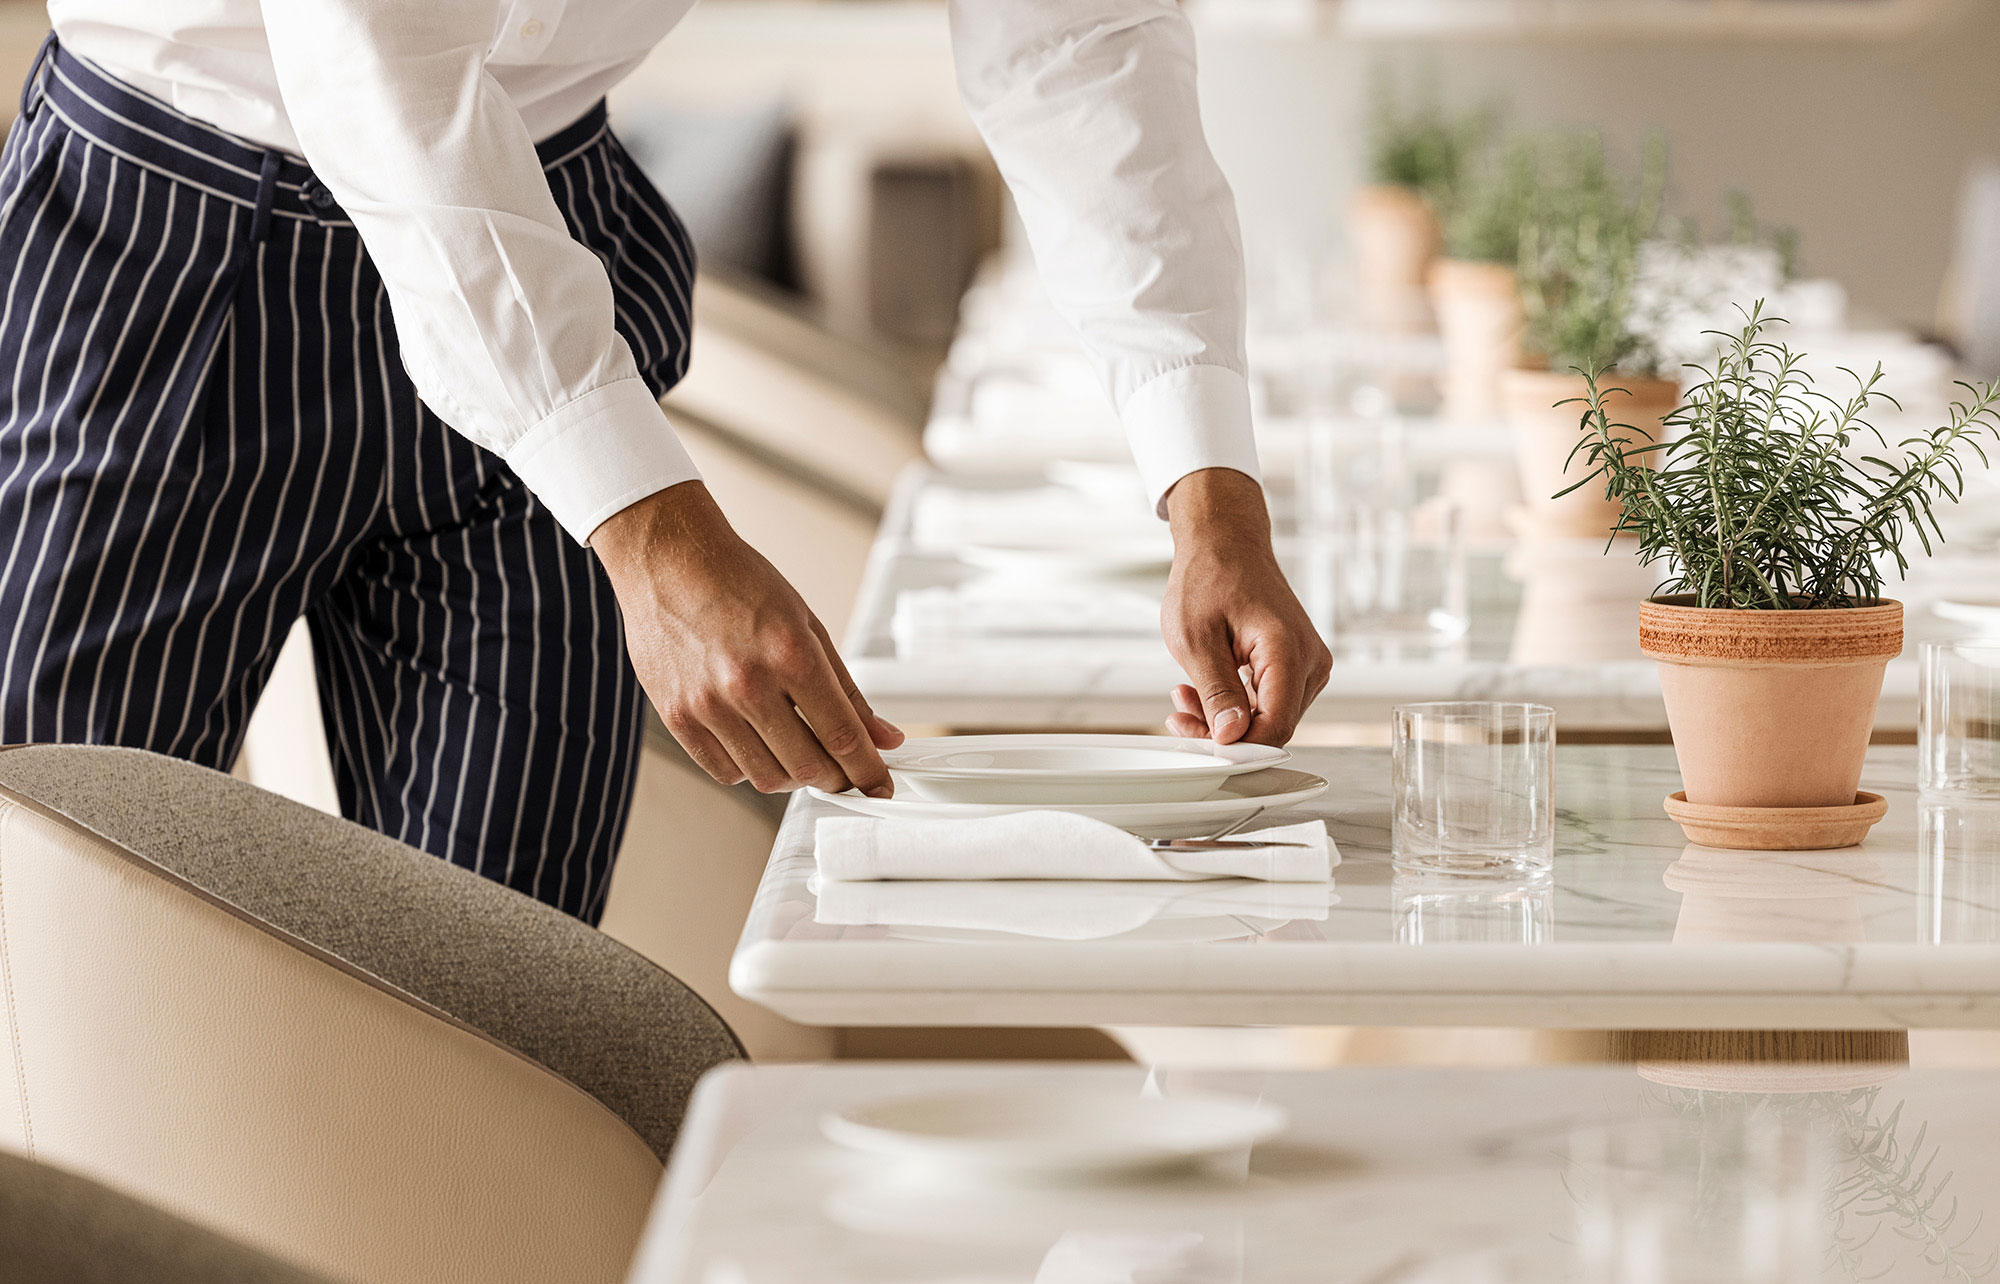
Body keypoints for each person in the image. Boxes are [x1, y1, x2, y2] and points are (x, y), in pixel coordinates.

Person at [0, 0, 1332, 923]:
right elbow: (367, 50)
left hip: (549, 218)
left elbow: (1078, 35)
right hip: (169, 245)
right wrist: (648, 523)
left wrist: (1207, 483)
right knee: (57, 933)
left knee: (506, 1014)